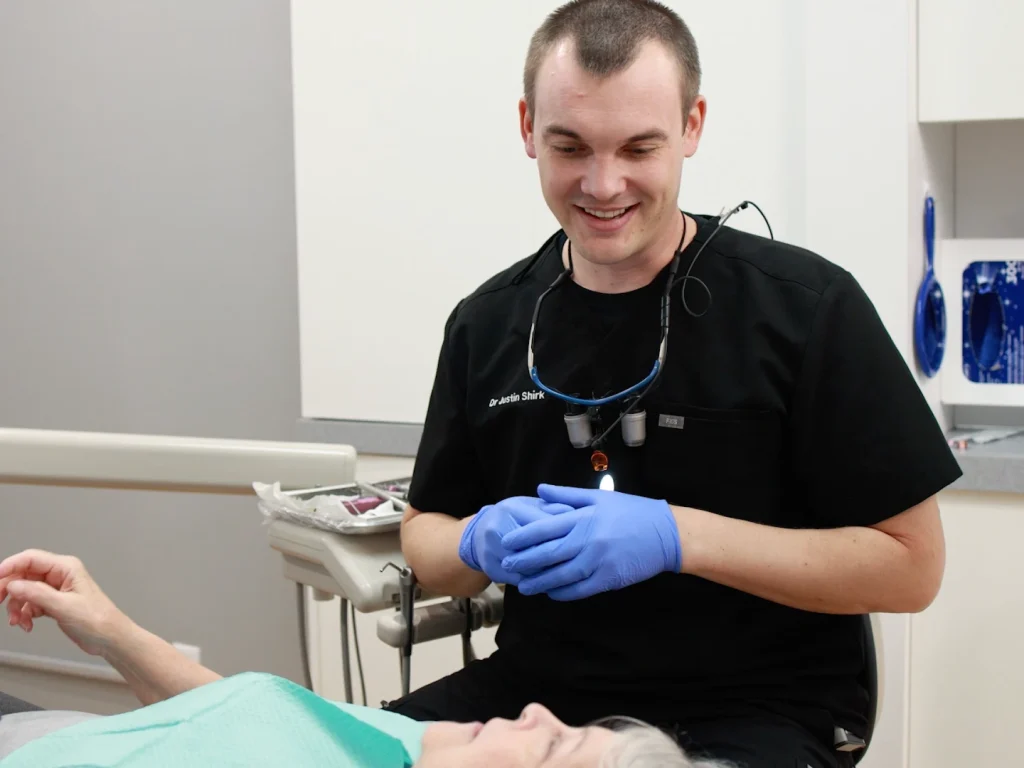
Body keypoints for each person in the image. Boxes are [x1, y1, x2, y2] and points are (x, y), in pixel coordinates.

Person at [391, 1, 963, 766]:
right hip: (536, 698)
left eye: (638, 147)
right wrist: (477, 539)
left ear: (692, 126)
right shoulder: (487, 324)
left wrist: (676, 538)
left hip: (756, 710)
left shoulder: (804, 310)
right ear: (527, 127)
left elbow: (911, 566)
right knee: (324, 747)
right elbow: (425, 534)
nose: (602, 183)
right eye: (570, 147)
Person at [0, 549, 723, 767]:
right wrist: (110, 630)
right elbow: (248, 725)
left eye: (551, 749)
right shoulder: (417, 747)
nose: (536, 713)